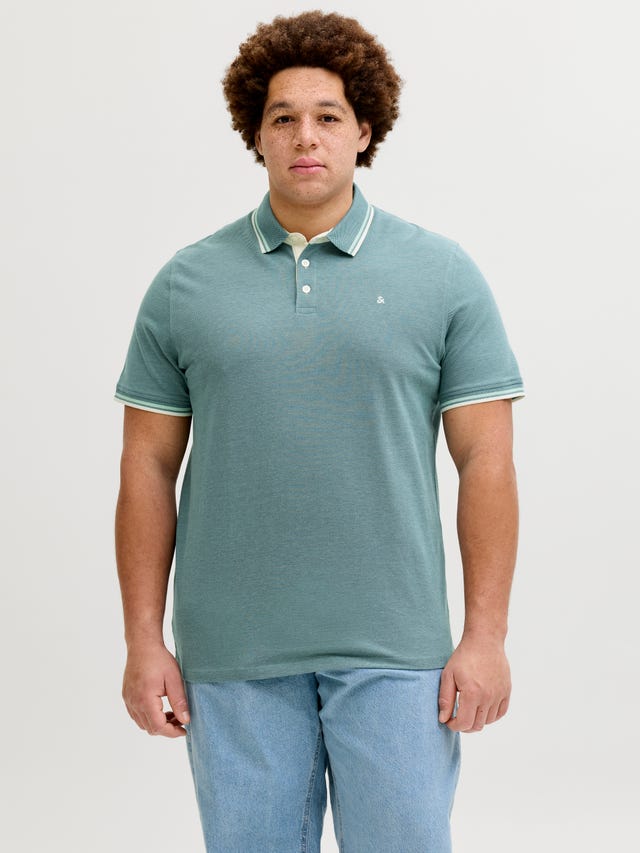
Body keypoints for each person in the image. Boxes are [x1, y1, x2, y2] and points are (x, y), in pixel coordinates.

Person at [114, 10, 524, 852]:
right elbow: (146, 467)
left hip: (398, 653)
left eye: (328, 115)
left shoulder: (442, 274)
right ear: (256, 134)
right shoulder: (185, 285)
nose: (306, 136)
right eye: (283, 117)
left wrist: (485, 637)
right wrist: (143, 640)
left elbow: (486, 457)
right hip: (233, 657)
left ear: (364, 129)